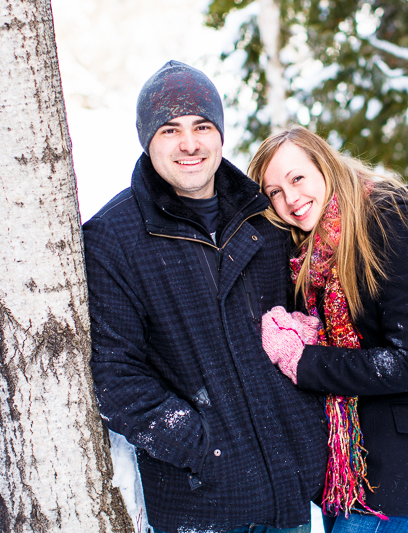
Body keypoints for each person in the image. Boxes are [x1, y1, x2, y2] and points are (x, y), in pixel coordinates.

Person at [83, 61, 328, 533]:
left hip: (289, 496)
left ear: (220, 134)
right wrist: (203, 447)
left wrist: (304, 429)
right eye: (170, 129)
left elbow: (311, 319)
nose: (189, 143)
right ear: (147, 140)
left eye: (202, 126)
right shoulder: (113, 238)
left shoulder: (266, 217)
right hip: (202, 505)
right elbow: (115, 377)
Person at [247, 126, 408, 533]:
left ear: (324, 166)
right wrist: (305, 330)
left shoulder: (390, 218)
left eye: (297, 178)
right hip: (341, 462)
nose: (290, 199)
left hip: (391, 462)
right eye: (274, 191)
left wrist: (304, 358)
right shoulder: (306, 249)